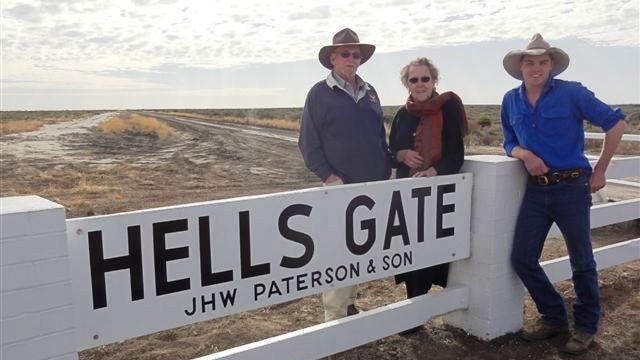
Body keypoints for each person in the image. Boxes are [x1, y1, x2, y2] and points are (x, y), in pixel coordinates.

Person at [501, 33, 626, 354]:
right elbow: (508, 142)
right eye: (530, 62)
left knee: (581, 260)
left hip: (571, 187)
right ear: (521, 66)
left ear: (551, 65)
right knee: (522, 258)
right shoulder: (510, 100)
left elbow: (615, 125)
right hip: (536, 191)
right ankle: (554, 316)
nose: (536, 67)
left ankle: (585, 326)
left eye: (543, 62)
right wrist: (524, 155)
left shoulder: (572, 93)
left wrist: (600, 171)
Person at [298, 28, 392, 321]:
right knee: (339, 251)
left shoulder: (370, 92)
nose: (352, 58)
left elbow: (379, 136)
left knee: (361, 247)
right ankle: (334, 318)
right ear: (332, 58)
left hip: (373, 186)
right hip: (340, 188)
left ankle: (350, 304)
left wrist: (387, 166)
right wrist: (329, 177)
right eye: (345, 54)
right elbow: (308, 143)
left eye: (356, 54)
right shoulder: (319, 93)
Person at [389, 57, 467, 334]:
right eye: (414, 79)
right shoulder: (403, 113)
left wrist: (434, 171)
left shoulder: (449, 107)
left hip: (439, 193)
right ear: (406, 84)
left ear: (434, 81)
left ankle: (422, 311)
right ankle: (414, 311)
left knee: (432, 251)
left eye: (425, 79)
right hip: (408, 192)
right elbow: (392, 150)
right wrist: (401, 154)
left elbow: (456, 153)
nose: (420, 84)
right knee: (410, 250)